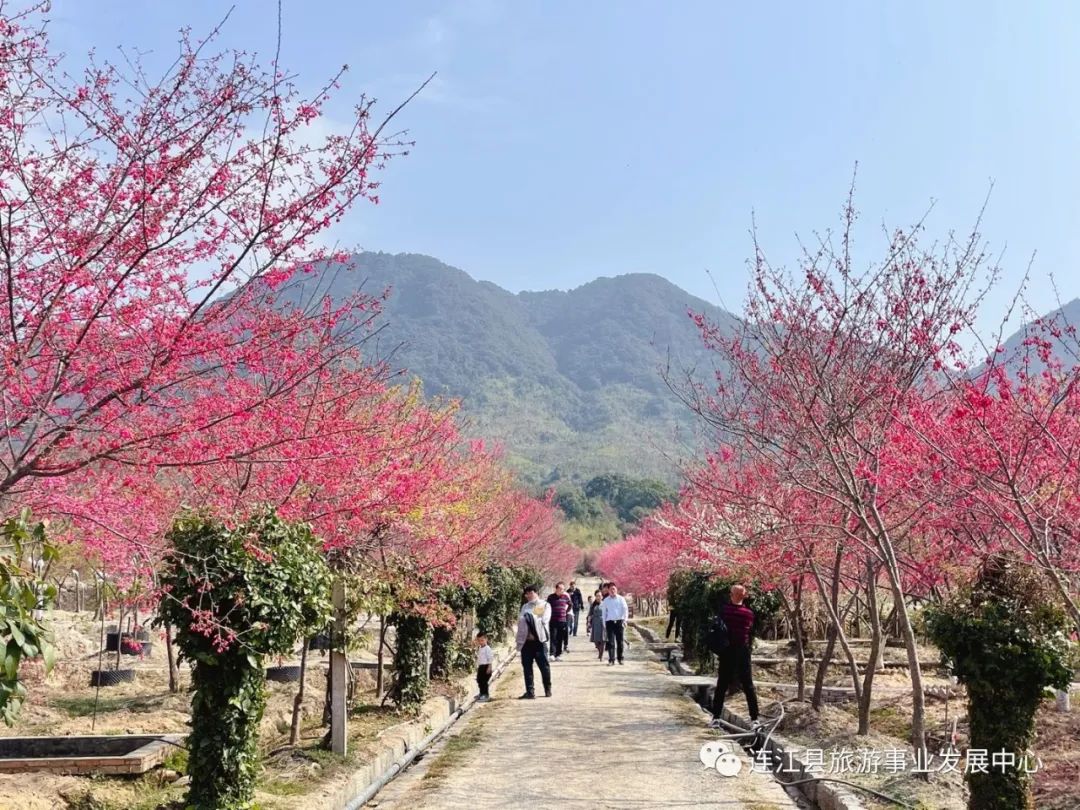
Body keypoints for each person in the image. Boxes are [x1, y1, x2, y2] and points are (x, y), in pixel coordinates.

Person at [710, 584, 759, 728]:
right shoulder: (748, 614)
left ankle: (716, 717)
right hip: (743, 650)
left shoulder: (724, 611)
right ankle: (755, 718)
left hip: (727, 651)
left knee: (722, 685)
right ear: (744, 596)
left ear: (731, 595)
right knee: (748, 685)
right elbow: (750, 630)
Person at [515, 585, 552, 698]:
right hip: (526, 642)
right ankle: (530, 692)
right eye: (527, 594)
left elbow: (543, 620)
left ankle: (547, 689)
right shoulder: (525, 607)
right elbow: (521, 622)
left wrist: (530, 619)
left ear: (536, 593)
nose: (529, 595)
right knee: (527, 667)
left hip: (539, 641)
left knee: (544, 666)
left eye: (531, 593)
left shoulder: (544, 605)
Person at [601, 582, 629, 666]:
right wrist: (604, 624)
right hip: (609, 622)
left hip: (619, 621)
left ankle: (620, 658)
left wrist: (625, 620)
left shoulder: (621, 599)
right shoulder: (606, 600)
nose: (612, 591)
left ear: (616, 589)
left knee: (620, 641)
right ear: (608, 590)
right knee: (610, 642)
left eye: (614, 589)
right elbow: (604, 613)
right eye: (611, 589)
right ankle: (611, 660)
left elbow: (625, 610)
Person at [547, 581, 572, 659]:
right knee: (553, 637)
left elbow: (570, 604)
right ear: (556, 589)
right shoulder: (551, 597)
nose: (562, 591)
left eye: (563, 589)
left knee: (560, 638)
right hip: (553, 620)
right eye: (561, 589)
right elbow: (547, 607)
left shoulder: (565, 597)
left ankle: (558, 654)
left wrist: (566, 612)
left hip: (562, 620)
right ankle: (552, 654)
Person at [475, 631, 494, 702]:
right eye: (479, 640)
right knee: (479, 680)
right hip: (481, 667)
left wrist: (489, 667)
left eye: (482, 640)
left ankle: (486, 694)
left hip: (486, 667)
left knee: (484, 681)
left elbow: (490, 659)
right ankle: (481, 693)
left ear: (486, 639)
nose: (481, 642)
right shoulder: (480, 648)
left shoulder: (487, 648)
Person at [587, 594, 606, 659]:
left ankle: (601, 655)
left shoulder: (605, 604)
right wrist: (589, 623)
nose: (598, 597)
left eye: (600, 596)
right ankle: (600, 650)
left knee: (602, 639)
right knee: (596, 640)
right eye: (597, 596)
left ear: (602, 597)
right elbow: (590, 614)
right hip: (595, 622)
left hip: (603, 622)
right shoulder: (593, 605)